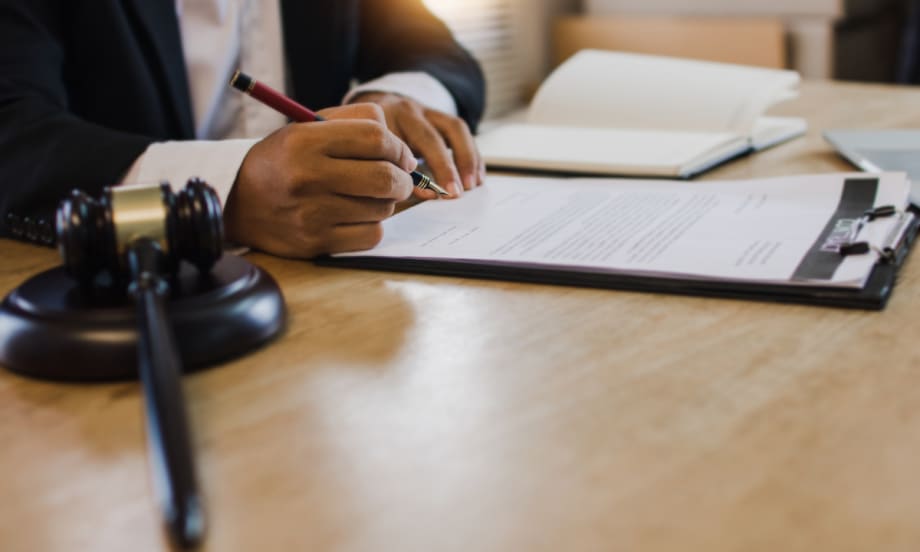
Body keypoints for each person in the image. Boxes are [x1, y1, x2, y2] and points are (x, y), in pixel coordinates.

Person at [0, 0, 486, 258]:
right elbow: (13, 129)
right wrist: (221, 197)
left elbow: (437, 51)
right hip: (137, 305)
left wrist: (394, 99)